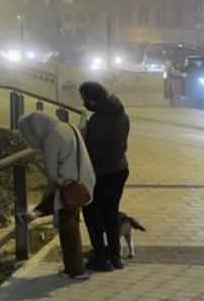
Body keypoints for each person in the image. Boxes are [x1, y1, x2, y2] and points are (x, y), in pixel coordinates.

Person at [17, 111, 96, 279]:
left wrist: (49, 190)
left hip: (70, 188)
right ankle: (38, 212)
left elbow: (52, 174)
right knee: (71, 223)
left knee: (68, 228)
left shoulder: (50, 138)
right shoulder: (68, 126)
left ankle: (75, 270)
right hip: (83, 180)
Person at [79, 81, 130, 271]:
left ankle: (100, 257)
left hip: (102, 172)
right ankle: (114, 256)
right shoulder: (121, 114)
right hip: (120, 169)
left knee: (92, 213)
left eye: (84, 99)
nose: (84, 103)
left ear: (91, 99)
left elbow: (92, 150)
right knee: (110, 213)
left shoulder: (98, 119)